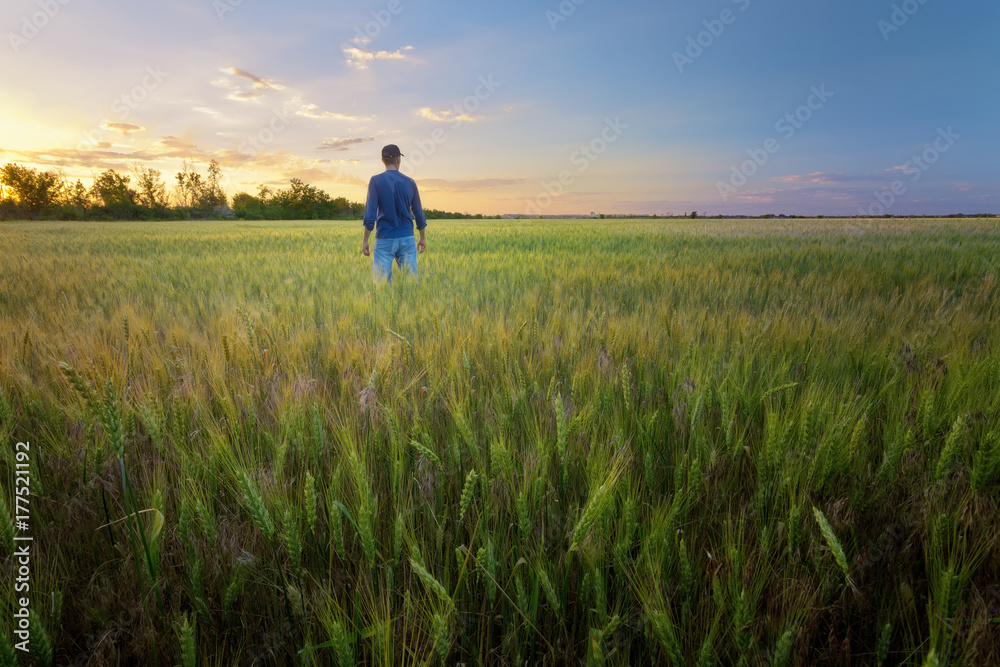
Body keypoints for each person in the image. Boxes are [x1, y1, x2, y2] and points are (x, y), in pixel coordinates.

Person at [361, 144, 427, 282]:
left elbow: (370, 215)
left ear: (382, 160)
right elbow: (419, 214)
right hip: (407, 238)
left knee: (381, 286)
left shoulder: (375, 181)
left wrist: (365, 241)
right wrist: (422, 238)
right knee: (411, 284)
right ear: (398, 159)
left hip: (384, 238)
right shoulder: (410, 182)